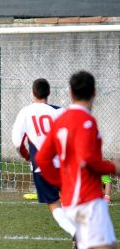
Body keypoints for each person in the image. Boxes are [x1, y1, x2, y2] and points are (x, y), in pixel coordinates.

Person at [36, 71, 120, 249]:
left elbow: (42, 158)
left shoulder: (61, 120)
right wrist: (114, 167)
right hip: (88, 199)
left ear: (70, 93)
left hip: (70, 199)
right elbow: (88, 159)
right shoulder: (86, 120)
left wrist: (61, 182)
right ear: (95, 93)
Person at [12, 79, 77, 245]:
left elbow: (17, 142)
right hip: (64, 166)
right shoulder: (60, 111)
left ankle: (75, 232)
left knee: (54, 204)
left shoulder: (25, 112)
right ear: (48, 93)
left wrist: (28, 157)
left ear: (33, 93)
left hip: (42, 168)